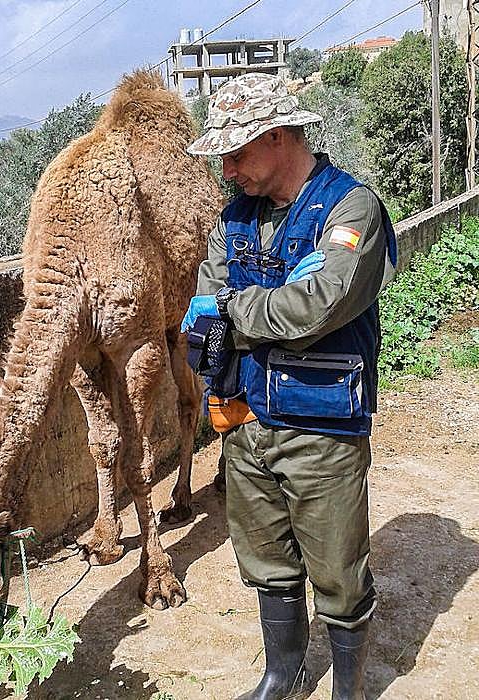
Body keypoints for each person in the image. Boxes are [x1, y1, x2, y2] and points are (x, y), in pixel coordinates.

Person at [181, 73, 397, 700]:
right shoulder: (236, 218)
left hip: (322, 424)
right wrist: (245, 310)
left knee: (337, 569)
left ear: (277, 137)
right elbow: (205, 304)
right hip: (247, 421)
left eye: (235, 152)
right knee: (267, 560)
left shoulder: (350, 208)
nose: (225, 169)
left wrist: (236, 312)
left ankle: (348, 690)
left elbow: (320, 307)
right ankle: (283, 674)